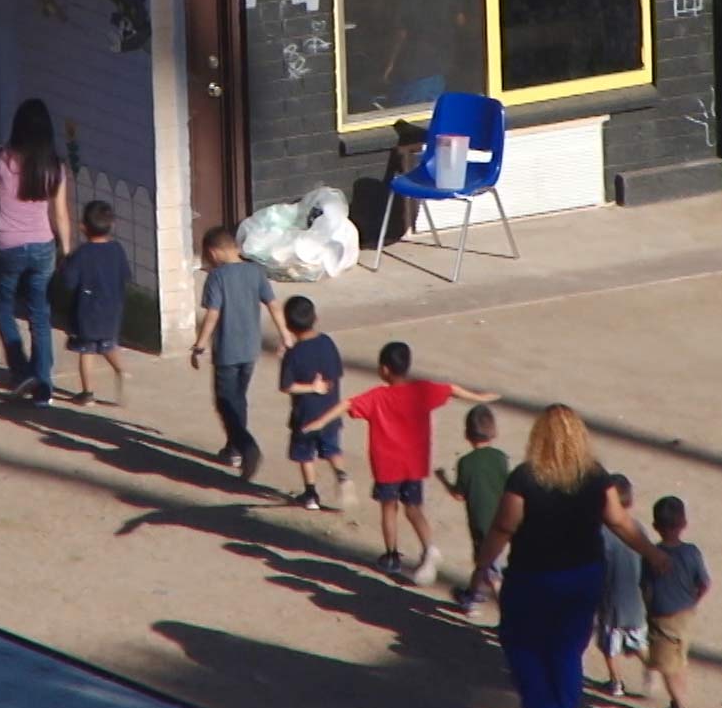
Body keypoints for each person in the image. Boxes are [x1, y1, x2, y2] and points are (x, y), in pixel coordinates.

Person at [470, 405, 669, 708]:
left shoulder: (525, 477)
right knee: (566, 649)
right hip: (581, 576)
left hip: (531, 575)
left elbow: (505, 525)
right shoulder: (595, 477)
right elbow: (620, 522)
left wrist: (482, 563)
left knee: (522, 644)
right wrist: (653, 553)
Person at [301, 342, 497, 581]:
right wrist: (479, 396)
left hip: (387, 467)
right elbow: (452, 389)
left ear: (384, 369)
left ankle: (392, 556)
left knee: (389, 509)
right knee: (414, 509)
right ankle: (429, 547)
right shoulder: (422, 391)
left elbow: (348, 404)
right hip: (414, 465)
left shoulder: (377, 397)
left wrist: (320, 422)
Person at [0, 99, 73, 407]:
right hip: (43, 247)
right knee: (40, 315)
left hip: (6, 246)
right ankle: (44, 386)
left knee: (1, 305)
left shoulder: (0, 160)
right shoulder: (55, 166)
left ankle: (20, 368)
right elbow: (60, 214)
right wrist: (66, 250)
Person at [190, 227, 292, 481]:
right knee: (238, 398)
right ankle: (233, 447)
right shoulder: (255, 272)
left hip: (227, 351)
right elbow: (273, 304)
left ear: (213, 253)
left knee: (225, 402)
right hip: (250, 350)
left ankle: (246, 447)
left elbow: (213, 315)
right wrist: (285, 334)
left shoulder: (216, 278)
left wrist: (199, 345)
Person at [643, 495, 712, 708]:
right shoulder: (692, 553)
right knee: (680, 661)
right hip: (686, 616)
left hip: (663, 618)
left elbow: (646, 588)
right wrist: (693, 602)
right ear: (684, 523)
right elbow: (704, 583)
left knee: (667, 668)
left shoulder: (651, 556)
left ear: (655, 526)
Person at [276, 296, 350, 510]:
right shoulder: (327, 342)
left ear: (289, 326)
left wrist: (310, 387)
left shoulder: (294, 354)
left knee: (305, 454)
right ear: (315, 317)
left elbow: (286, 386)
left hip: (305, 414)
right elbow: (337, 373)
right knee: (332, 448)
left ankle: (310, 494)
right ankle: (342, 475)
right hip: (330, 411)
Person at [435, 404, 508, 608]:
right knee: (483, 563)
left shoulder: (466, 463)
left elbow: (458, 495)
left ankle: (508, 616)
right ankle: (472, 595)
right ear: (493, 431)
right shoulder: (500, 458)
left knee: (492, 572)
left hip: (481, 524)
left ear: (467, 434)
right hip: (503, 520)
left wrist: (443, 479)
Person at [58, 200, 130, 407]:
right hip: (112, 309)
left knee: (86, 350)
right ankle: (121, 370)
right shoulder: (117, 249)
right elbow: (125, 276)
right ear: (112, 225)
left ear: (82, 227)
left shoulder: (82, 254)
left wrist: (64, 264)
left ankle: (87, 393)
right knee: (108, 344)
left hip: (86, 311)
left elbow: (69, 283)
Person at [596, 473, 649, 697]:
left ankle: (615, 681)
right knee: (638, 640)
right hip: (635, 601)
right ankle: (653, 667)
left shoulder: (600, 534)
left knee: (610, 646)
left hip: (611, 603)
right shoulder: (637, 527)